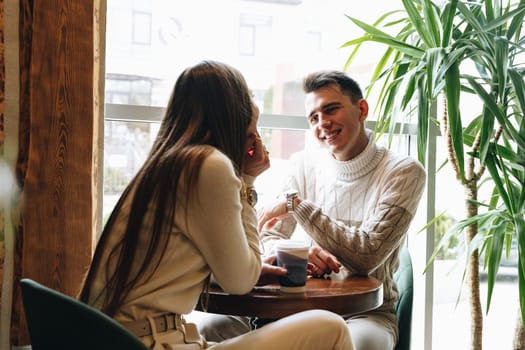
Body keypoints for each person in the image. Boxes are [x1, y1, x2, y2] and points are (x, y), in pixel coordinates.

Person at [78, 61, 354, 350]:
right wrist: (247, 180)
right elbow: (240, 283)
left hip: (121, 338)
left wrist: (250, 268)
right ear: (232, 108)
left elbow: (196, 265)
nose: (254, 106)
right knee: (331, 328)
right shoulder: (209, 166)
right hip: (150, 343)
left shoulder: (165, 164)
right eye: (247, 97)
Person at [199, 70, 426, 350]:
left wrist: (297, 204)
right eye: (314, 118)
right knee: (210, 327)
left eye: (331, 110)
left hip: (364, 314)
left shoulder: (404, 172)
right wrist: (297, 254)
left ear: (362, 109)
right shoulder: (302, 165)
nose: (323, 124)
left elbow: (368, 255)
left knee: (362, 344)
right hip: (292, 308)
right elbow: (267, 235)